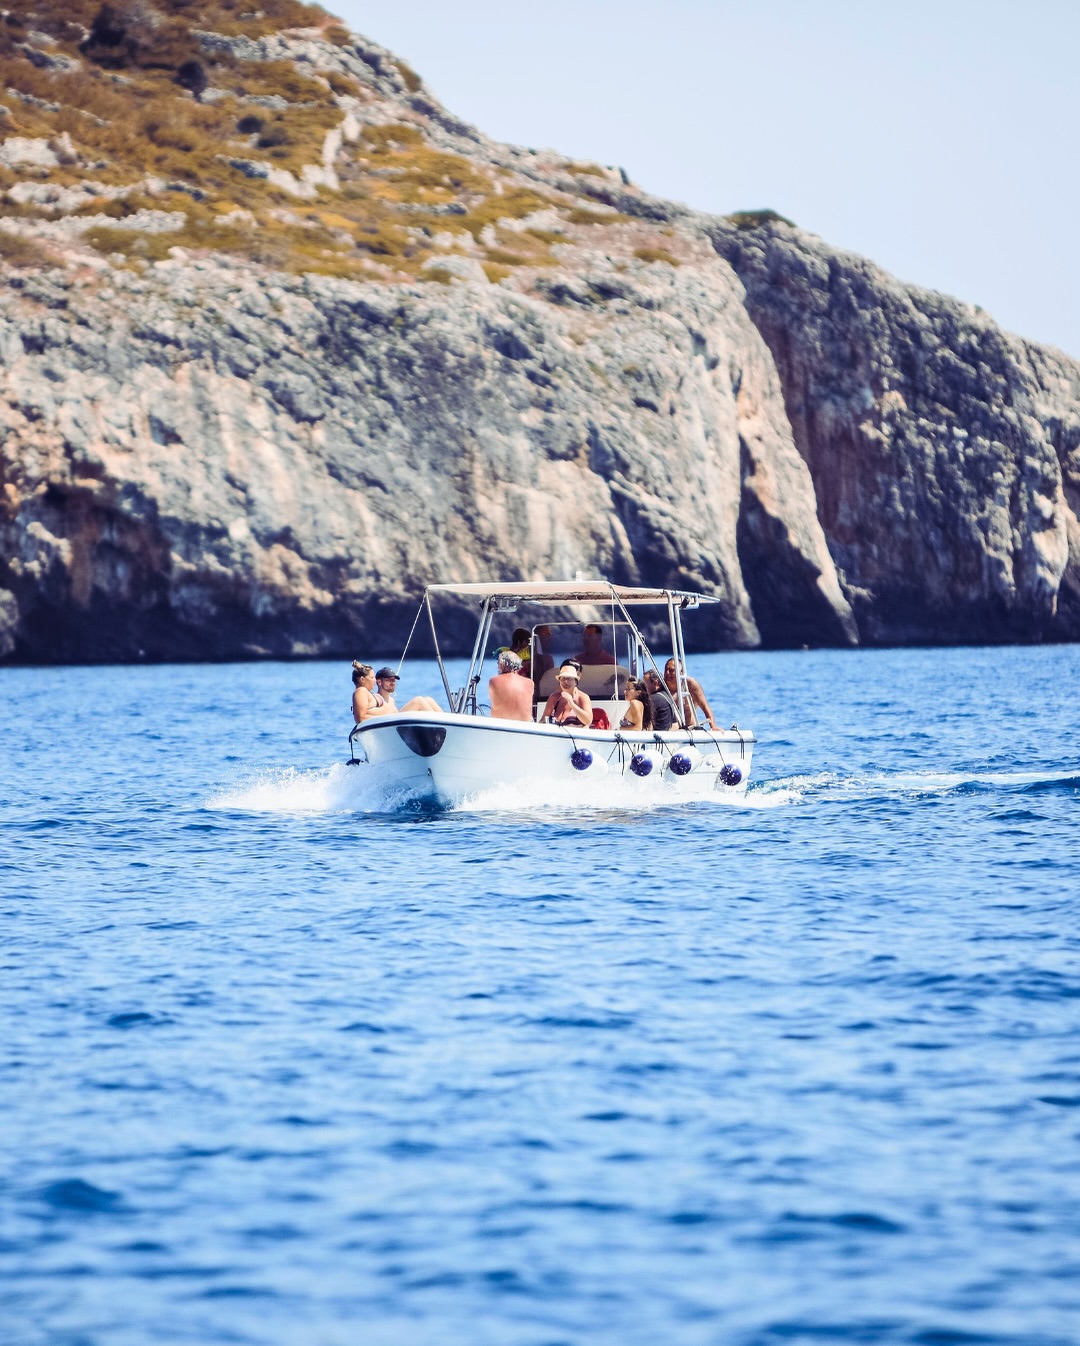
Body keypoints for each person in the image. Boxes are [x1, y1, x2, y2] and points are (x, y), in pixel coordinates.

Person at [351, 662, 441, 723]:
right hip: (388, 723)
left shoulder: (371, 694)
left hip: (391, 721)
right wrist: (387, 718)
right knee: (419, 701)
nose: (374, 680)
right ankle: (441, 726)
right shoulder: (361, 691)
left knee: (429, 699)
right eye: (372, 678)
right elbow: (360, 718)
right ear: (362, 679)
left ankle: (446, 723)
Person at [664, 658, 718, 730]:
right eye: (666, 670)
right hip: (669, 730)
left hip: (690, 729)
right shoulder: (660, 685)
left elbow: (705, 706)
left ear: (681, 672)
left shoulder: (690, 684)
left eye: (671, 670)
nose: (667, 673)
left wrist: (713, 727)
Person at [541, 662, 593, 727]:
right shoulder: (554, 697)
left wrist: (572, 704)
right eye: (563, 678)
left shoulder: (582, 697)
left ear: (576, 682)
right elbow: (543, 721)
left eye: (569, 678)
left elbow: (588, 721)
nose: (565, 681)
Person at [488, 650, 534, 721]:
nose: (498, 666)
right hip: (525, 725)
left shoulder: (494, 681)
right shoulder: (530, 683)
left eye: (498, 663)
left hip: (500, 724)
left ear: (503, 664)